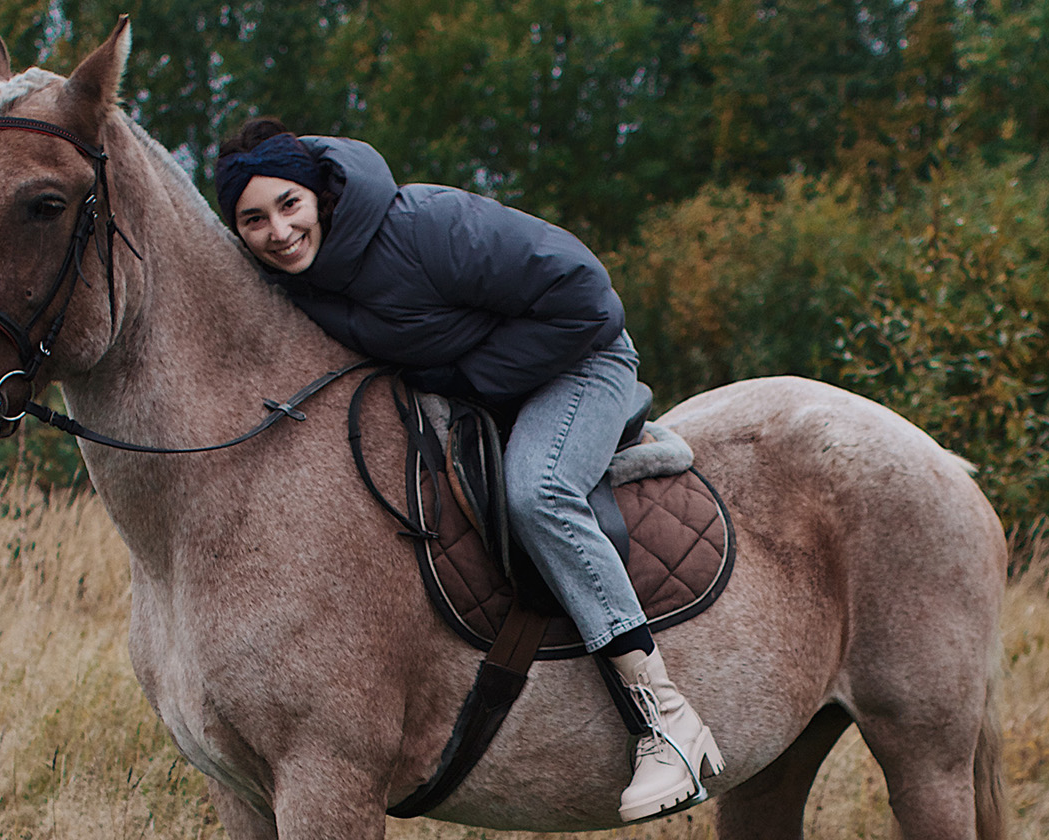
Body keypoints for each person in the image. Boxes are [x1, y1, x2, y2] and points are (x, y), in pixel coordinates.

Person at [213, 117, 724, 821]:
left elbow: (587, 297)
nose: (278, 231)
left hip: (582, 360)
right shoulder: (297, 279)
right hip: (478, 388)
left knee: (537, 490)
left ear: (320, 196)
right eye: (253, 219)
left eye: (288, 205)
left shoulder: (426, 225)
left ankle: (666, 722)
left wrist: (466, 376)